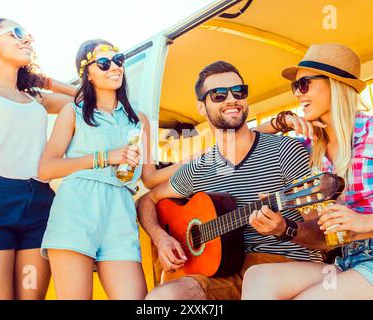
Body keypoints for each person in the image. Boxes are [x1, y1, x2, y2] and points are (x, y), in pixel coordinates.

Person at [137, 60, 330, 300]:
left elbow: (324, 236)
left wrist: (285, 229)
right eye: (218, 95)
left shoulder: (285, 151)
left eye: (238, 92)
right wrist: (161, 238)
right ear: (201, 106)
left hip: (286, 267)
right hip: (224, 273)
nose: (231, 100)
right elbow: (147, 200)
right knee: (162, 298)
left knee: (257, 283)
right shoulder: (200, 168)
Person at [242, 43, 373, 300]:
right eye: (295, 87)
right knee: (257, 277)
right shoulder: (311, 151)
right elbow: (242, 143)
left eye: (304, 84)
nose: (297, 94)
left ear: (335, 84)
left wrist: (363, 222)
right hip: (348, 258)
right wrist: (283, 228)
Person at [38, 39, 180, 300]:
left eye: (119, 60)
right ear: (88, 74)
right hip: (76, 211)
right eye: (104, 63)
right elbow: (46, 169)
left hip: (120, 213)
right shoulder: (73, 112)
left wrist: (187, 163)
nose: (114, 67)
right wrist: (105, 157)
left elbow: (149, 178)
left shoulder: (140, 119)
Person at [0, 16, 76, 300]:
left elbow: (85, 100)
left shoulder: (36, 98)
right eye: (17, 33)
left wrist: (44, 80)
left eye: (28, 35)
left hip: (40, 205)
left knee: (31, 297)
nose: (27, 39)